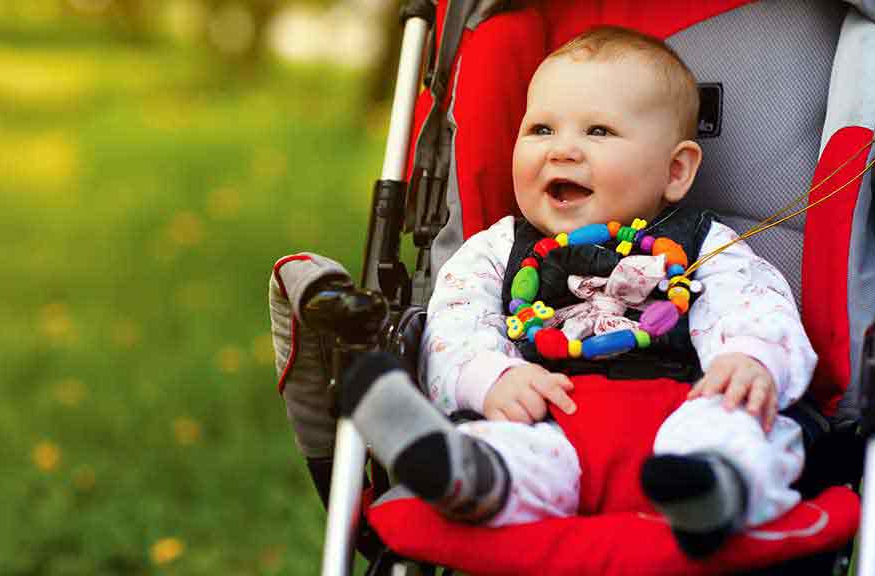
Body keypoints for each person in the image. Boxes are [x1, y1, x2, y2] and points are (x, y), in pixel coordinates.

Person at [341, 26, 816, 558]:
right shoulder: (498, 249)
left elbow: (754, 304)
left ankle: (711, 491)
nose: (562, 150)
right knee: (509, 447)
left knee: (739, 424)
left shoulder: (702, 243)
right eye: (541, 129)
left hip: (678, 412)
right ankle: (467, 475)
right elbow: (454, 322)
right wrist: (491, 377)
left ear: (676, 170)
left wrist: (750, 358)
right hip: (544, 417)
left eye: (599, 132)